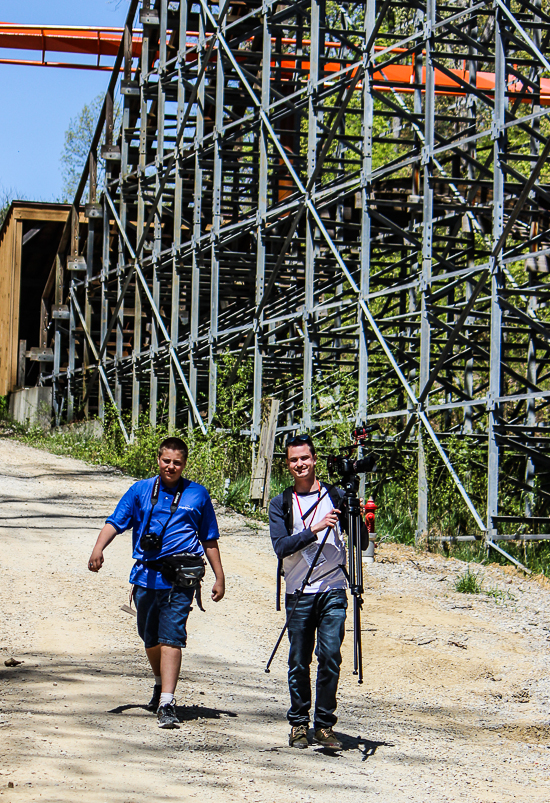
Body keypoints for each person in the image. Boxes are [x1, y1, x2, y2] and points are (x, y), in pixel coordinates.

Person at [88, 436, 225, 729]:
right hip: (146, 576)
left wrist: (219, 576)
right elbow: (115, 521)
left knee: (172, 636)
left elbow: (209, 537)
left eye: (177, 462)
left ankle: (167, 702)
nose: (171, 467)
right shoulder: (140, 490)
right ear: (158, 460)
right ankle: (159, 683)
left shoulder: (198, 494)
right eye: (167, 461)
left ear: (184, 464)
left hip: (181, 579)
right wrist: (98, 549)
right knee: (149, 637)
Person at [269, 434, 367, 750]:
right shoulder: (280, 503)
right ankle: (298, 723)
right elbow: (281, 547)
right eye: (294, 460)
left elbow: (361, 543)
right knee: (298, 660)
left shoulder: (335, 495)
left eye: (305, 458)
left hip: (333, 588)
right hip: (298, 590)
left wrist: (353, 508)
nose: (300, 464)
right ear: (288, 464)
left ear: (315, 460)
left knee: (330, 657)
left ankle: (324, 725)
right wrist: (314, 529)